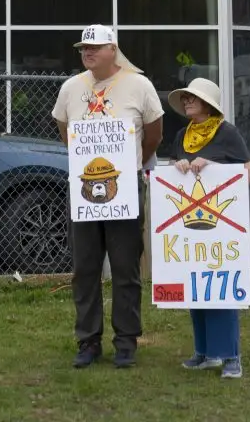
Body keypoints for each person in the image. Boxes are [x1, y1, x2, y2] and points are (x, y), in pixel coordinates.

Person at [52, 24, 164, 369]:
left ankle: (126, 340)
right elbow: (65, 131)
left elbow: (154, 134)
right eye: (83, 48)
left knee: (125, 266)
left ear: (112, 49)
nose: (87, 52)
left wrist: (132, 164)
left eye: (95, 47)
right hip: (84, 190)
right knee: (85, 268)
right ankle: (88, 340)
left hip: (125, 189)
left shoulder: (139, 85)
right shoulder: (71, 88)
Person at [168, 77, 250, 380]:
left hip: (221, 227)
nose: (187, 101)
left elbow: (248, 175)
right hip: (189, 229)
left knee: (222, 288)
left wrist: (213, 167)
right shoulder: (181, 135)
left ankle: (231, 356)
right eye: (185, 98)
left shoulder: (227, 133)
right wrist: (178, 166)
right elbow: (172, 176)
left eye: (193, 97)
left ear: (208, 104)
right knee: (195, 288)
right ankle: (204, 352)